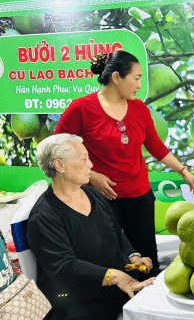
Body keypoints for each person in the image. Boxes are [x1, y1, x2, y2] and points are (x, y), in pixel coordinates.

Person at [55, 51, 194, 272]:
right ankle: (115, 305)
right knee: (109, 260)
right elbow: (57, 146)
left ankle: (144, 304)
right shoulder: (81, 109)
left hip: (139, 198)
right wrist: (91, 176)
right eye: (136, 78)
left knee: (146, 260)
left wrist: (183, 171)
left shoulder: (140, 110)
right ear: (116, 78)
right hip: (100, 201)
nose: (140, 85)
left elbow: (156, 147)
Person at [28, 134, 155, 320]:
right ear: (59, 165)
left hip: (117, 291)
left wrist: (133, 257)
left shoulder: (92, 194)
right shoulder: (44, 216)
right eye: (84, 159)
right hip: (79, 303)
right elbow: (65, 267)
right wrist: (118, 277)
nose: (91, 165)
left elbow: (117, 232)